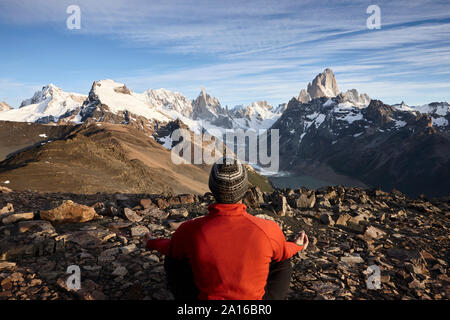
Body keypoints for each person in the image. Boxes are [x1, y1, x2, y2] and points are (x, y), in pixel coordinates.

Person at [143, 156, 308, 300]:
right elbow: (284, 250)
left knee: (173, 258)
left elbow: (171, 248)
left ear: (212, 187)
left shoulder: (190, 230)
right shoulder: (267, 229)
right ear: (244, 189)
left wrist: (151, 242)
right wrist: (297, 245)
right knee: (282, 260)